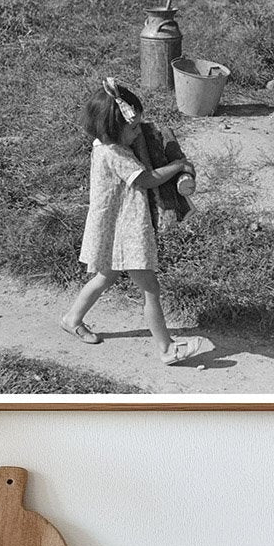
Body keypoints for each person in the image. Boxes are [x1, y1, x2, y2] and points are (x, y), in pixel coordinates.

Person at [61, 77, 209, 366]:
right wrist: (178, 165)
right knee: (150, 287)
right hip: (124, 230)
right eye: (133, 128)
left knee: (105, 277)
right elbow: (147, 179)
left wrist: (140, 138)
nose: (138, 131)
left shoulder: (106, 144)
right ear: (113, 130)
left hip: (115, 227)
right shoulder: (115, 153)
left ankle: (71, 319)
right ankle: (167, 348)